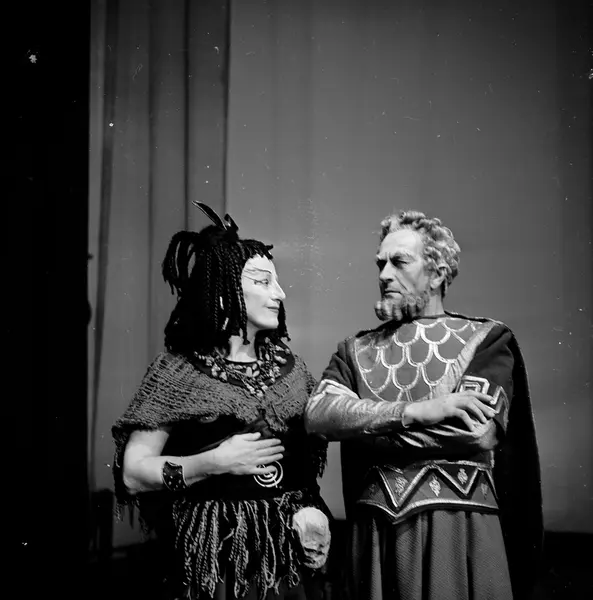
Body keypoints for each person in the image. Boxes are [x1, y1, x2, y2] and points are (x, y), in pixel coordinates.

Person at [304, 210, 543, 600]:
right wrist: (414, 412)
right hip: (376, 533)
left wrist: (365, 428)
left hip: (458, 529)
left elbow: (476, 431)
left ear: (437, 274)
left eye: (399, 262)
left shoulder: (486, 339)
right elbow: (318, 416)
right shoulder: (355, 349)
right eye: (381, 263)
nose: (384, 275)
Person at [112, 202, 331, 600]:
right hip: (213, 562)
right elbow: (132, 473)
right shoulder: (178, 370)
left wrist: (312, 510)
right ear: (224, 289)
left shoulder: (293, 370)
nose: (279, 294)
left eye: (277, 282)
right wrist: (214, 462)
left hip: (286, 563)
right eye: (263, 282)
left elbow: (304, 469)